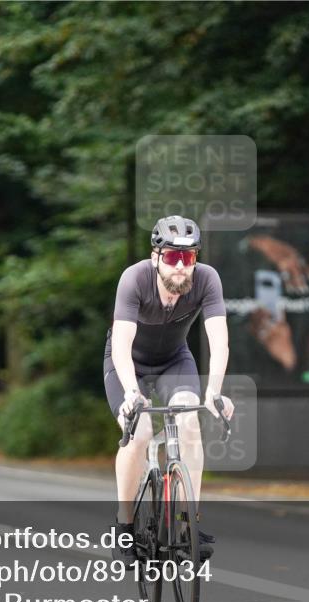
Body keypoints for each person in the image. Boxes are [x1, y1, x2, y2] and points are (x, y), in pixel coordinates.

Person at [105, 215, 234, 566]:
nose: (181, 267)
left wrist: (216, 391)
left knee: (190, 423)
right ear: (156, 257)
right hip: (128, 363)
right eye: (173, 258)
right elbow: (120, 345)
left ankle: (186, 523)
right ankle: (125, 526)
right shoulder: (134, 279)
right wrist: (132, 392)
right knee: (141, 432)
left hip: (174, 361)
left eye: (188, 257)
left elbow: (219, 341)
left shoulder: (207, 280)